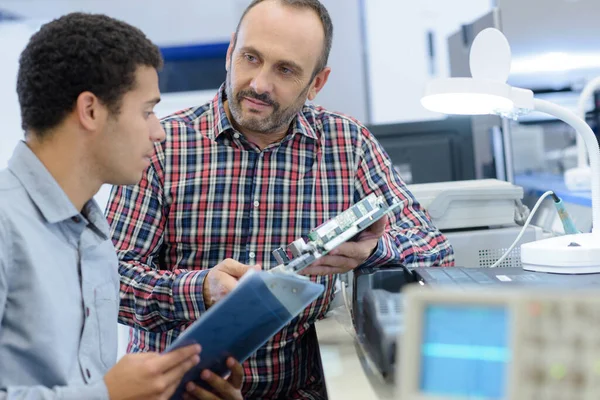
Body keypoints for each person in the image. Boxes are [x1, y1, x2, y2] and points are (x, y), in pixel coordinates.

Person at [106, 0, 454, 398]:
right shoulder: (164, 146)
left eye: (285, 70)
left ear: (316, 84)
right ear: (230, 51)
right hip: (180, 391)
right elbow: (108, 282)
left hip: (296, 391)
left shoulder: (347, 144)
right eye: (250, 58)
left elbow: (436, 250)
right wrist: (201, 289)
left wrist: (372, 250)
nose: (259, 84)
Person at [0, 13, 244, 400]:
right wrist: (108, 395)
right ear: (91, 111)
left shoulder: (94, 237)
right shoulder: (6, 226)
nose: (159, 131)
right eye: (147, 111)